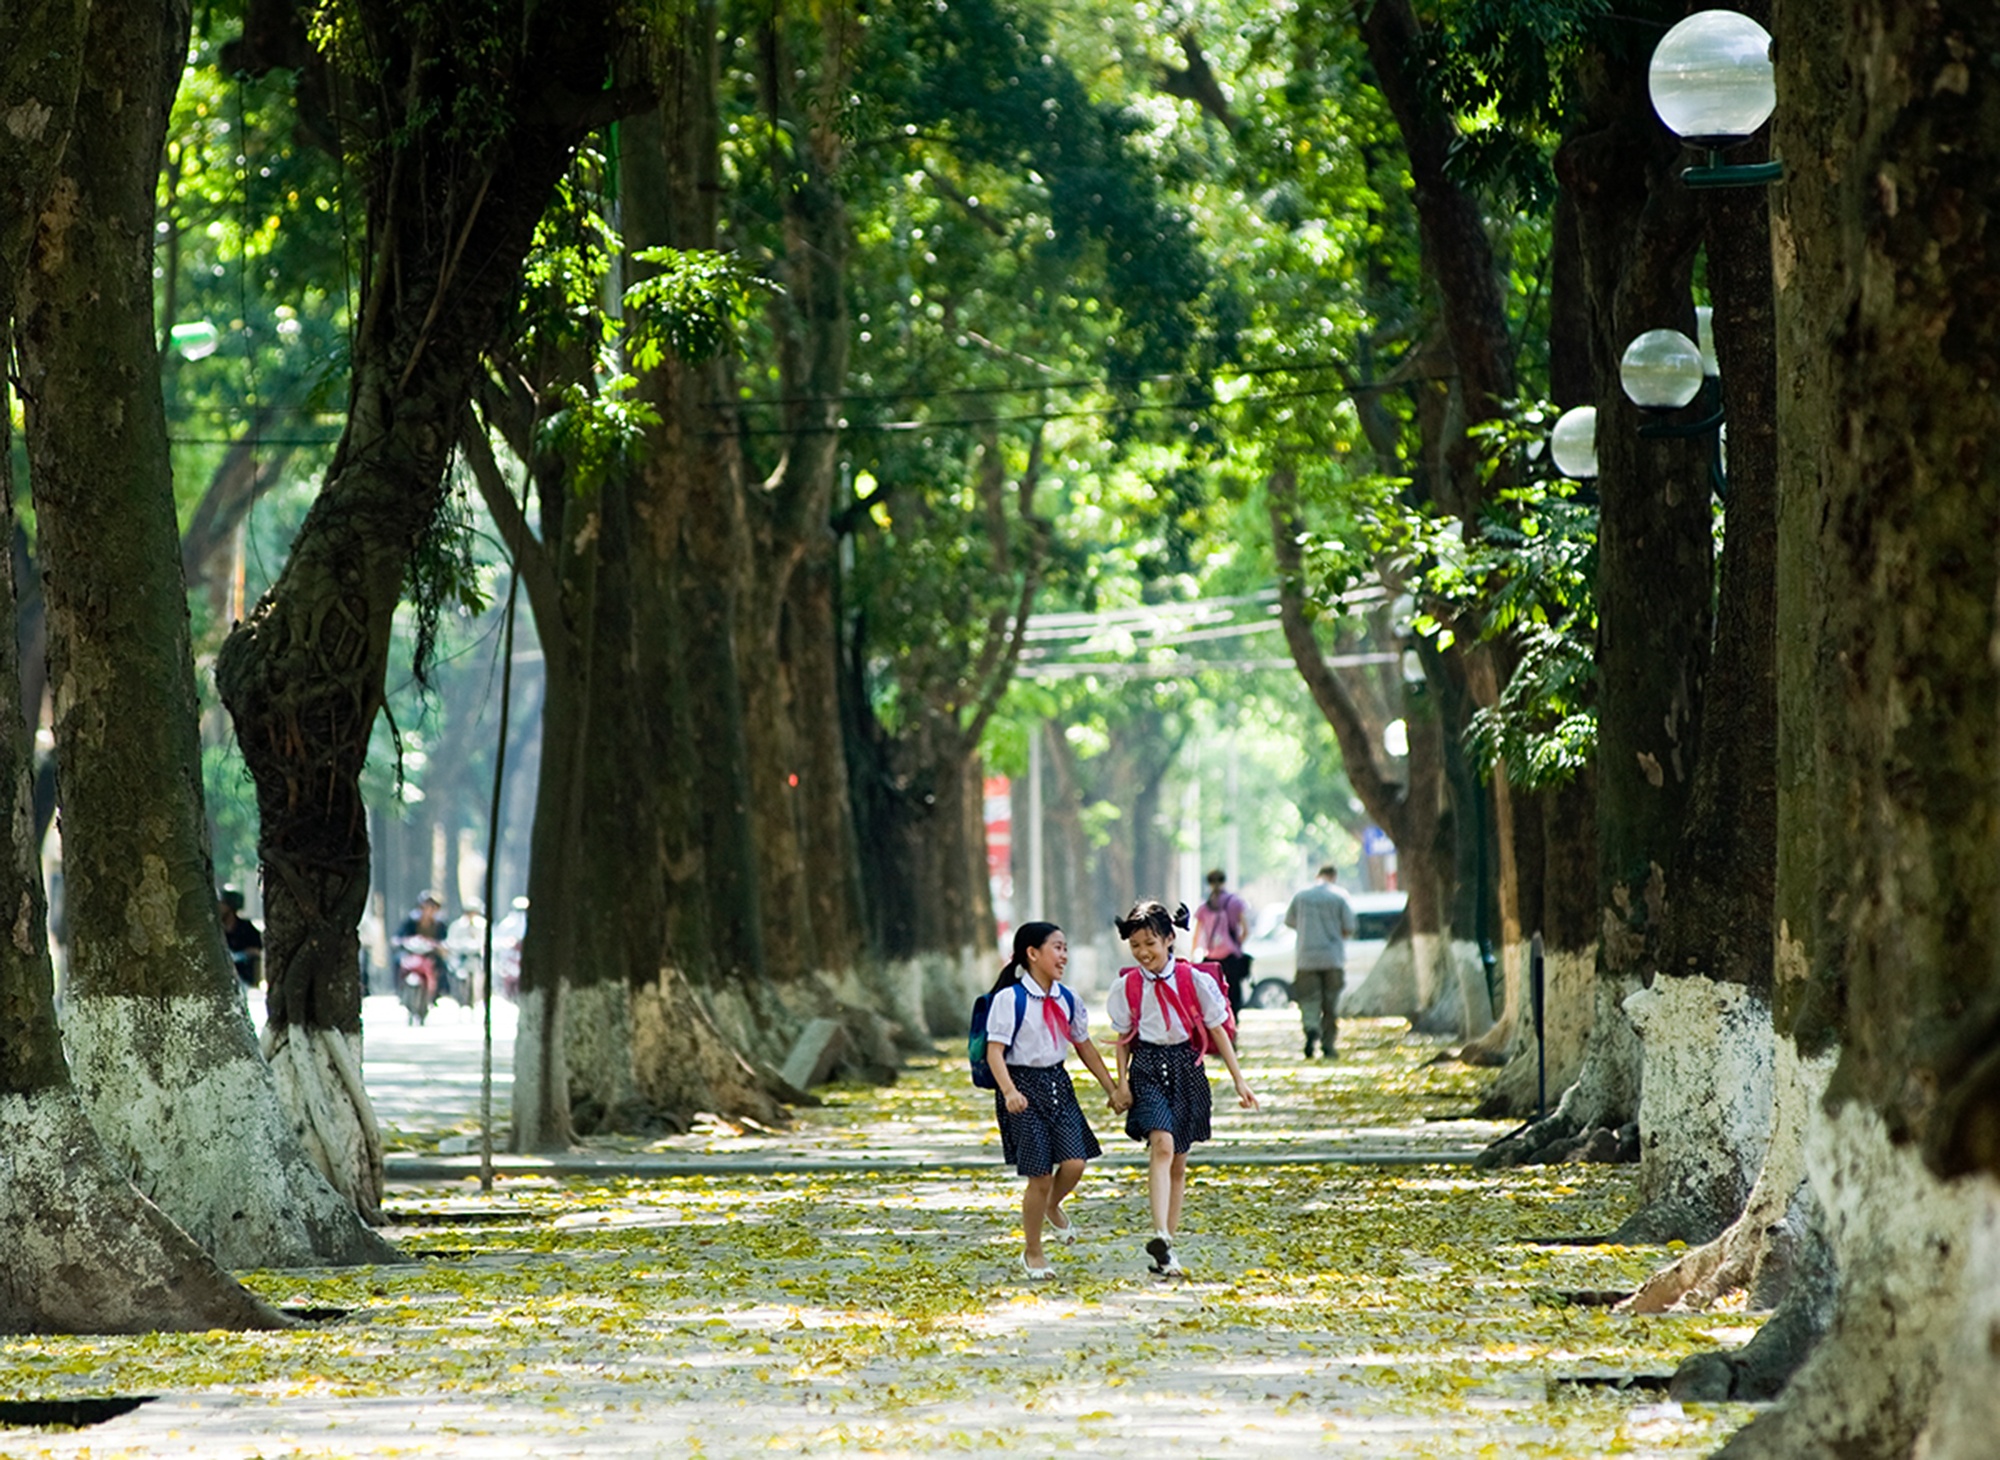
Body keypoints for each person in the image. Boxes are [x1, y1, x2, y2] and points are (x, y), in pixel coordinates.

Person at [1109, 899, 1257, 1279]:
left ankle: (1166, 1249)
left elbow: (1217, 1031)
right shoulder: (1127, 986)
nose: (1143, 953)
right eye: (1136, 946)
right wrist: (1122, 1083)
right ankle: (1158, 1231)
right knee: (1162, 1144)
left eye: (1150, 944)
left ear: (1170, 938)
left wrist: (1239, 1080)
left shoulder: (1196, 981)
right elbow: (1124, 1038)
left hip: (1186, 1068)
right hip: (1147, 1069)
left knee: (1178, 1162)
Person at [982, 921, 1127, 1280]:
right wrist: (1010, 1092)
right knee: (1040, 1175)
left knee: (1075, 1162)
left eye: (1065, 948)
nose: (1063, 955)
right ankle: (1033, 1252)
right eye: (1056, 947)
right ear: (1032, 954)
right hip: (1022, 1089)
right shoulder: (1009, 999)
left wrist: (1112, 1088)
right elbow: (994, 1053)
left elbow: (1085, 1046)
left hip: (1058, 1084)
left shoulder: (1068, 998)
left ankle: (1051, 1207)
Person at [1286, 864, 1358, 1059]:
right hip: (1332, 958)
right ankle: (1328, 1046)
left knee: (1308, 999)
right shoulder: (1340, 896)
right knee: (1330, 1003)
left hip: (1306, 958)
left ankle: (1311, 1028)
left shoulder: (1301, 896)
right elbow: (1349, 927)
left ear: (1317, 875)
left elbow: (1290, 922)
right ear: (1333, 876)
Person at [1191, 868, 1252, 1013]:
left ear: (1209, 883)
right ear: (1224, 881)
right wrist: (1237, 943)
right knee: (1233, 992)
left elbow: (1197, 934)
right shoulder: (1235, 902)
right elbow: (1245, 930)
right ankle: (1234, 1023)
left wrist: (1193, 954)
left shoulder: (1205, 907)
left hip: (1211, 956)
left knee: (1212, 993)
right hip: (1231, 955)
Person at [394, 891, 452, 1008]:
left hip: (430, 953)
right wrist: (401, 941)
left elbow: (444, 939)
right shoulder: (411, 921)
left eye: (432, 907)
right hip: (412, 952)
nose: (429, 910)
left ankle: (438, 992)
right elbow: (400, 936)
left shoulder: (440, 924)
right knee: (398, 961)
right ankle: (399, 990)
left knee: (441, 966)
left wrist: (439, 945)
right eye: (426, 907)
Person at [445, 899, 488, 1005]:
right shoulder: (457, 926)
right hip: (461, 958)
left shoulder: (482, 925)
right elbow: (451, 942)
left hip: (476, 957)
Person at [219, 887, 262, 989]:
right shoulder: (216, 929)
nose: (219, 905)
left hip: (243, 979)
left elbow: (257, 950)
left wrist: (241, 955)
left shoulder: (246, 928)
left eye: (223, 903)